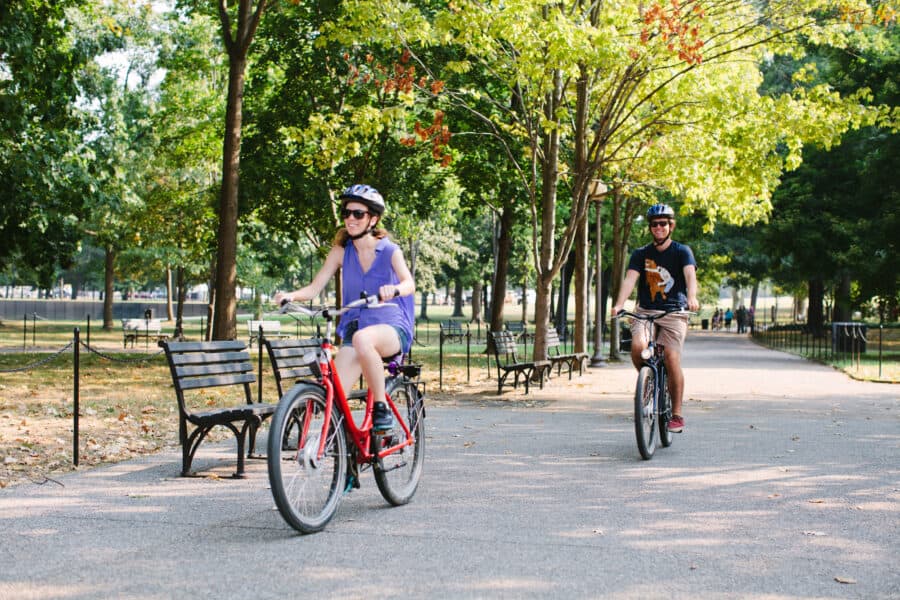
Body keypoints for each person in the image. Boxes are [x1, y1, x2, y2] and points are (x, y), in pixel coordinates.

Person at [274, 184, 415, 431]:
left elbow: (409, 283)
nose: (350, 218)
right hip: (356, 328)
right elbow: (314, 288)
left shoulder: (390, 251)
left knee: (363, 339)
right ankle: (349, 463)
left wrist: (393, 290)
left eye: (358, 214)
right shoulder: (341, 252)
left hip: (392, 327)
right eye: (347, 213)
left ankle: (381, 408)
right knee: (336, 397)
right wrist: (290, 296)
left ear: (373, 219)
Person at [612, 203, 699, 433]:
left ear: (671, 226)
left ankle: (677, 414)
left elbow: (690, 276)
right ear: (650, 228)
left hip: (674, 311)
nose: (658, 228)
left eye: (663, 224)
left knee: (671, 357)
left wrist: (692, 297)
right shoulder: (641, 254)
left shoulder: (682, 251)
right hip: (646, 311)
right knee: (638, 347)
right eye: (654, 224)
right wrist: (620, 304)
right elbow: (630, 279)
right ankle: (648, 381)